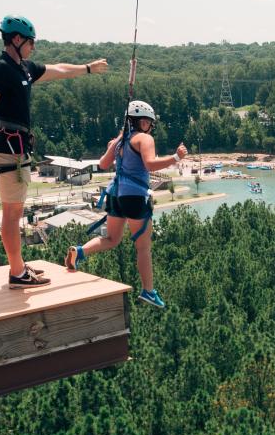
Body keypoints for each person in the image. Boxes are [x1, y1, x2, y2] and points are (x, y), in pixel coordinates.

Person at [0, 14, 108, 288]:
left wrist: (87, 69)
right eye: (31, 42)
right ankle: (16, 272)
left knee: (15, 211)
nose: (33, 48)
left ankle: (19, 267)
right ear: (17, 39)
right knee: (11, 214)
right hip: (7, 146)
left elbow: (57, 69)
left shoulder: (22, 68)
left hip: (16, 146)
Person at [65, 100, 187, 308]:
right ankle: (148, 291)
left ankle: (81, 251)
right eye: (149, 122)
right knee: (143, 247)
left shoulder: (120, 141)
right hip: (135, 196)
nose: (150, 126)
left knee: (112, 238)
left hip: (115, 194)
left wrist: (113, 145)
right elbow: (149, 165)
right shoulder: (144, 138)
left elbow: (103, 164)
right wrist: (175, 157)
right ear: (142, 122)